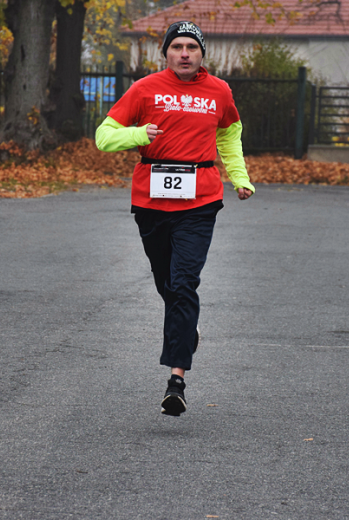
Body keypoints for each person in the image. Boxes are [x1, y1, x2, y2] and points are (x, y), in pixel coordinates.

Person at [95, 20, 254, 416]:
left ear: (202, 54)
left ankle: (176, 381)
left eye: (192, 47)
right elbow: (103, 136)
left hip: (199, 201)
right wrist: (136, 135)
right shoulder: (144, 89)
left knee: (184, 283)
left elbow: (229, 135)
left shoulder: (219, 91)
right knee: (168, 284)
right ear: (165, 53)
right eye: (177, 47)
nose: (185, 53)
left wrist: (240, 177)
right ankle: (187, 330)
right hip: (151, 202)